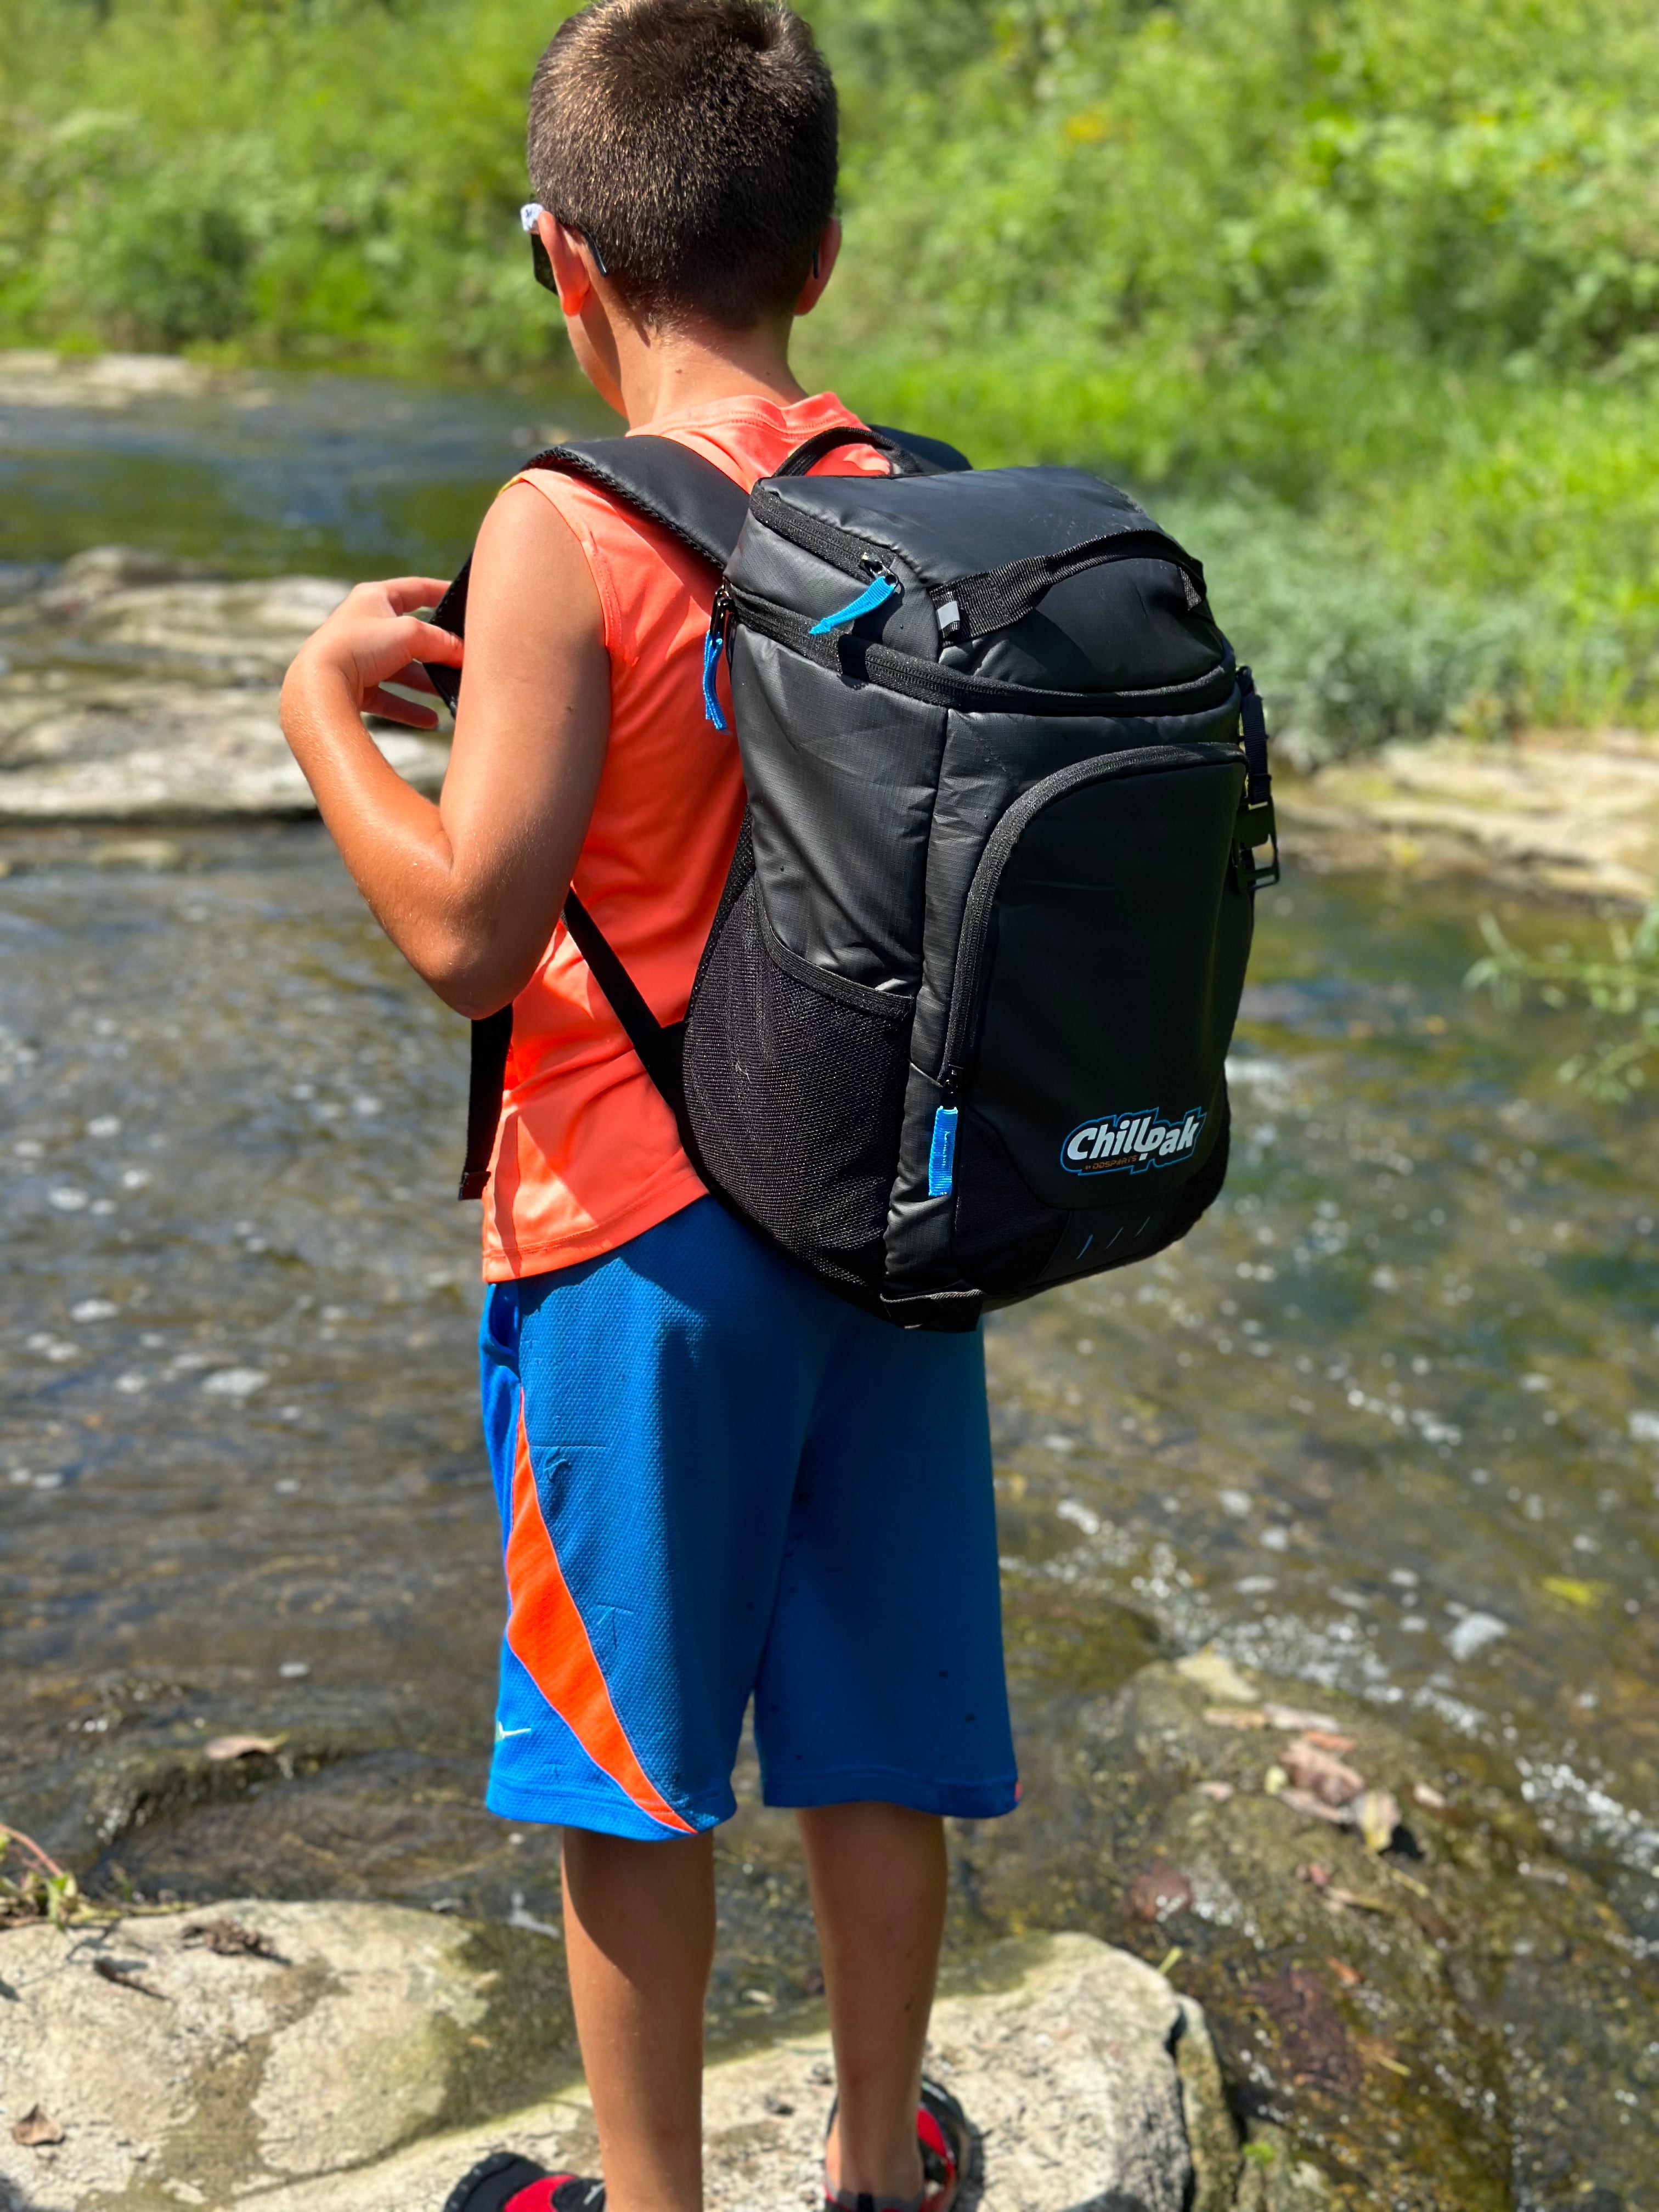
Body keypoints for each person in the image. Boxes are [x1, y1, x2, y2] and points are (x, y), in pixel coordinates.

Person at [279, 5, 1017, 2207]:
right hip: (888, 1223)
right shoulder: (909, 498)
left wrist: (323, 710)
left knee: (627, 1760)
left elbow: (468, 937)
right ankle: (883, 2172)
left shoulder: (553, 529)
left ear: (558, 257)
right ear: (823, 246)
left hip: (633, 1245)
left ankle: (652, 2198)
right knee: (877, 1724)